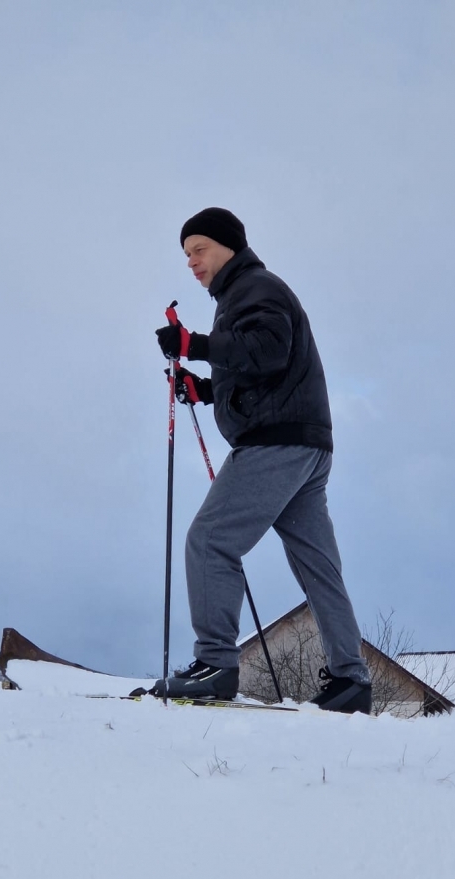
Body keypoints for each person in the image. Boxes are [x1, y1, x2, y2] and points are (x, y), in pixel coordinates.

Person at [150, 207, 372, 714]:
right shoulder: (243, 295)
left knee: (209, 540)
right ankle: (350, 680)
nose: (191, 262)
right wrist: (204, 390)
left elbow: (268, 349)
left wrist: (196, 345)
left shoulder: (256, 288)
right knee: (318, 566)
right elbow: (260, 368)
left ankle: (215, 664)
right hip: (306, 446)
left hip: (276, 445)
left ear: (228, 245)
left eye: (199, 249)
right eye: (186, 254)